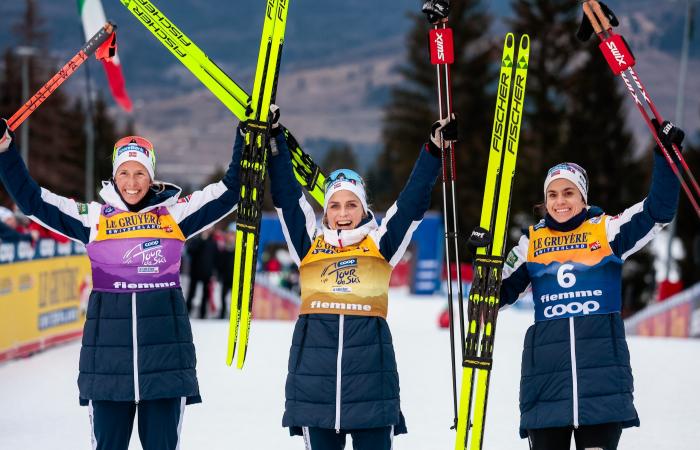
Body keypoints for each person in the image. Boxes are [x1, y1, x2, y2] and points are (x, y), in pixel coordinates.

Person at [0, 118, 243, 450]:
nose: (132, 182)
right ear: (114, 175)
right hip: (107, 369)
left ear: (151, 176)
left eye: (140, 172)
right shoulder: (93, 219)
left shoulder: (174, 216)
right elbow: (33, 201)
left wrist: (247, 140)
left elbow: (229, 192)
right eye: (125, 173)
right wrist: (4, 150)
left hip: (165, 366)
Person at [267, 105, 453, 449]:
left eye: (350, 205)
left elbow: (411, 204)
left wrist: (433, 151)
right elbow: (288, 200)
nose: (341, 214)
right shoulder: (309, 245)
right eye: (334, 205)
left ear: (363, 208)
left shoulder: (379, 244)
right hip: (315, 389)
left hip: (372, 389)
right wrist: (274, 140)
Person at [498, 120, 685, 450]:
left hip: (601, 386)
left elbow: (657, 211)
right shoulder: (530, 244)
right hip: (546, 388)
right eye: (552, 194)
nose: (560, 201)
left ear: (583, 197)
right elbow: (490, 299)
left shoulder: (607, 231)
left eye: (569, 192)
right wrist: (484, 261)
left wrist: (665, 157)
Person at [185, 226, 218, 318]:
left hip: (207, 273)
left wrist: (214, 273)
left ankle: (202, 315)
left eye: (210, 228)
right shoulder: (196, 239)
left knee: (205, 296)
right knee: (191, 293)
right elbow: (190, 251)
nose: (208, 229)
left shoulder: (213, 242)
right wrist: (201, 240)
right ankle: (187, 312)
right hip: (195, 272)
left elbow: (216, 259)